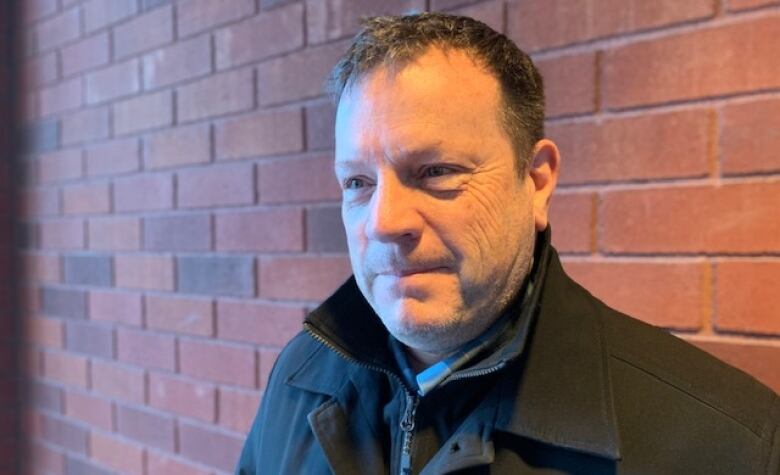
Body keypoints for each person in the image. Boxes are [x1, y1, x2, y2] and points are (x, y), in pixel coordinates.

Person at [236, 13, 779, 474]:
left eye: (436, 171)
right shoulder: (301, 375)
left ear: (537, 182)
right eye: (358, 182)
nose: (384, 222)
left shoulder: (728, 445)